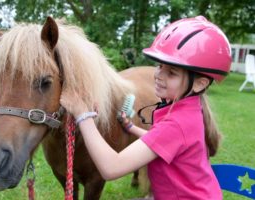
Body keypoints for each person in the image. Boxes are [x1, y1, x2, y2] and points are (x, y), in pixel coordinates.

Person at [60, 16, 232, 200]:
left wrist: (83, 115)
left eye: (171, 73)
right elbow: (161, 144)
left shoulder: (176, 124)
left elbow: (111, 168)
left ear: (199, 84)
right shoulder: (187, 109)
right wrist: (131, 128)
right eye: (160, 66)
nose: (158, 75)